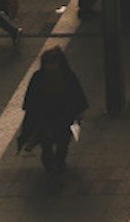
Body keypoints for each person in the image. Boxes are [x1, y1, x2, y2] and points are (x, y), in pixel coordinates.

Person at [17, 48, 88, 176]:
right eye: (48, 63)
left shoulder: (67, 76)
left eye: (53, 63)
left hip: (63, 116)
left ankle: (59, 162)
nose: (50, 66)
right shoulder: (39, 77)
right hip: (46, 117)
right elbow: (32, 97)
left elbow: (76, 94)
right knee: (46, 143)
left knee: (63, 142)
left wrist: (77, 113)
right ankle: (50, 164)